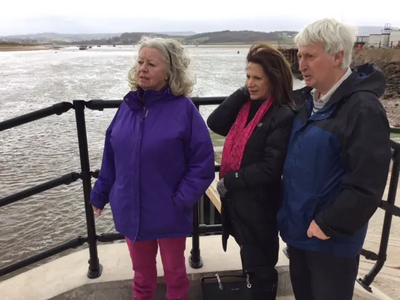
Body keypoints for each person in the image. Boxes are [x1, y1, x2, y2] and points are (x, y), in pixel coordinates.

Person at [90, 36, 215, 300]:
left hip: (168, 211)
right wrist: (100, 193)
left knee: (175, 276)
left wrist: (181, 199)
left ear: (169, 72)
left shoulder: (184, 110)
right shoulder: (127, 107)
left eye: (151, 64)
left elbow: (202, 163)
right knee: (142, 278)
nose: (142, 69)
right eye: (140, 62)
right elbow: (111, 154)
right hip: (132, 211)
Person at [277, 18, 392, 300]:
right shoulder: (308, 102)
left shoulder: (362, 108)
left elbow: (368, 183)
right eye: (300, 56)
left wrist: (328, 224)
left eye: (310, 56)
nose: (301, 64)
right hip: (300, 232)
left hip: (330, 241)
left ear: (338, 56)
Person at [207, 42, 296, 300]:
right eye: (247, 76)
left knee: (262, 267)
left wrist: (231, 180)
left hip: (260, 204)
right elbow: (215, 123)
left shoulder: (282, 114)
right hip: (242, 204)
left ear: (274, 79)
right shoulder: (247, 106)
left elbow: (270, 168)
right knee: (250, 260)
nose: (250, 83)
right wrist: (243, 92)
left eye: (258, 78)